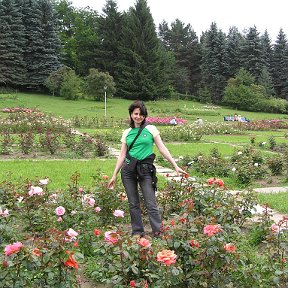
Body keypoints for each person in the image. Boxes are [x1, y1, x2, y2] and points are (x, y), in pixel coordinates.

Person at [108, 100, 187, 237]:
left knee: (151, 203)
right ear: (131, 114)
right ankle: (138, 232)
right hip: (128, 171)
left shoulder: (151, 129)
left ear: (145, 116)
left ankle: (158, 232)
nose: (138, 116)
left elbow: (162, 149)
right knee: (133, 203)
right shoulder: (127, 132)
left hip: (145, 171)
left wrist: (175, 166)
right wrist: (114, 174)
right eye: (135, 114)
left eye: (141, 114)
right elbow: (122, 155)